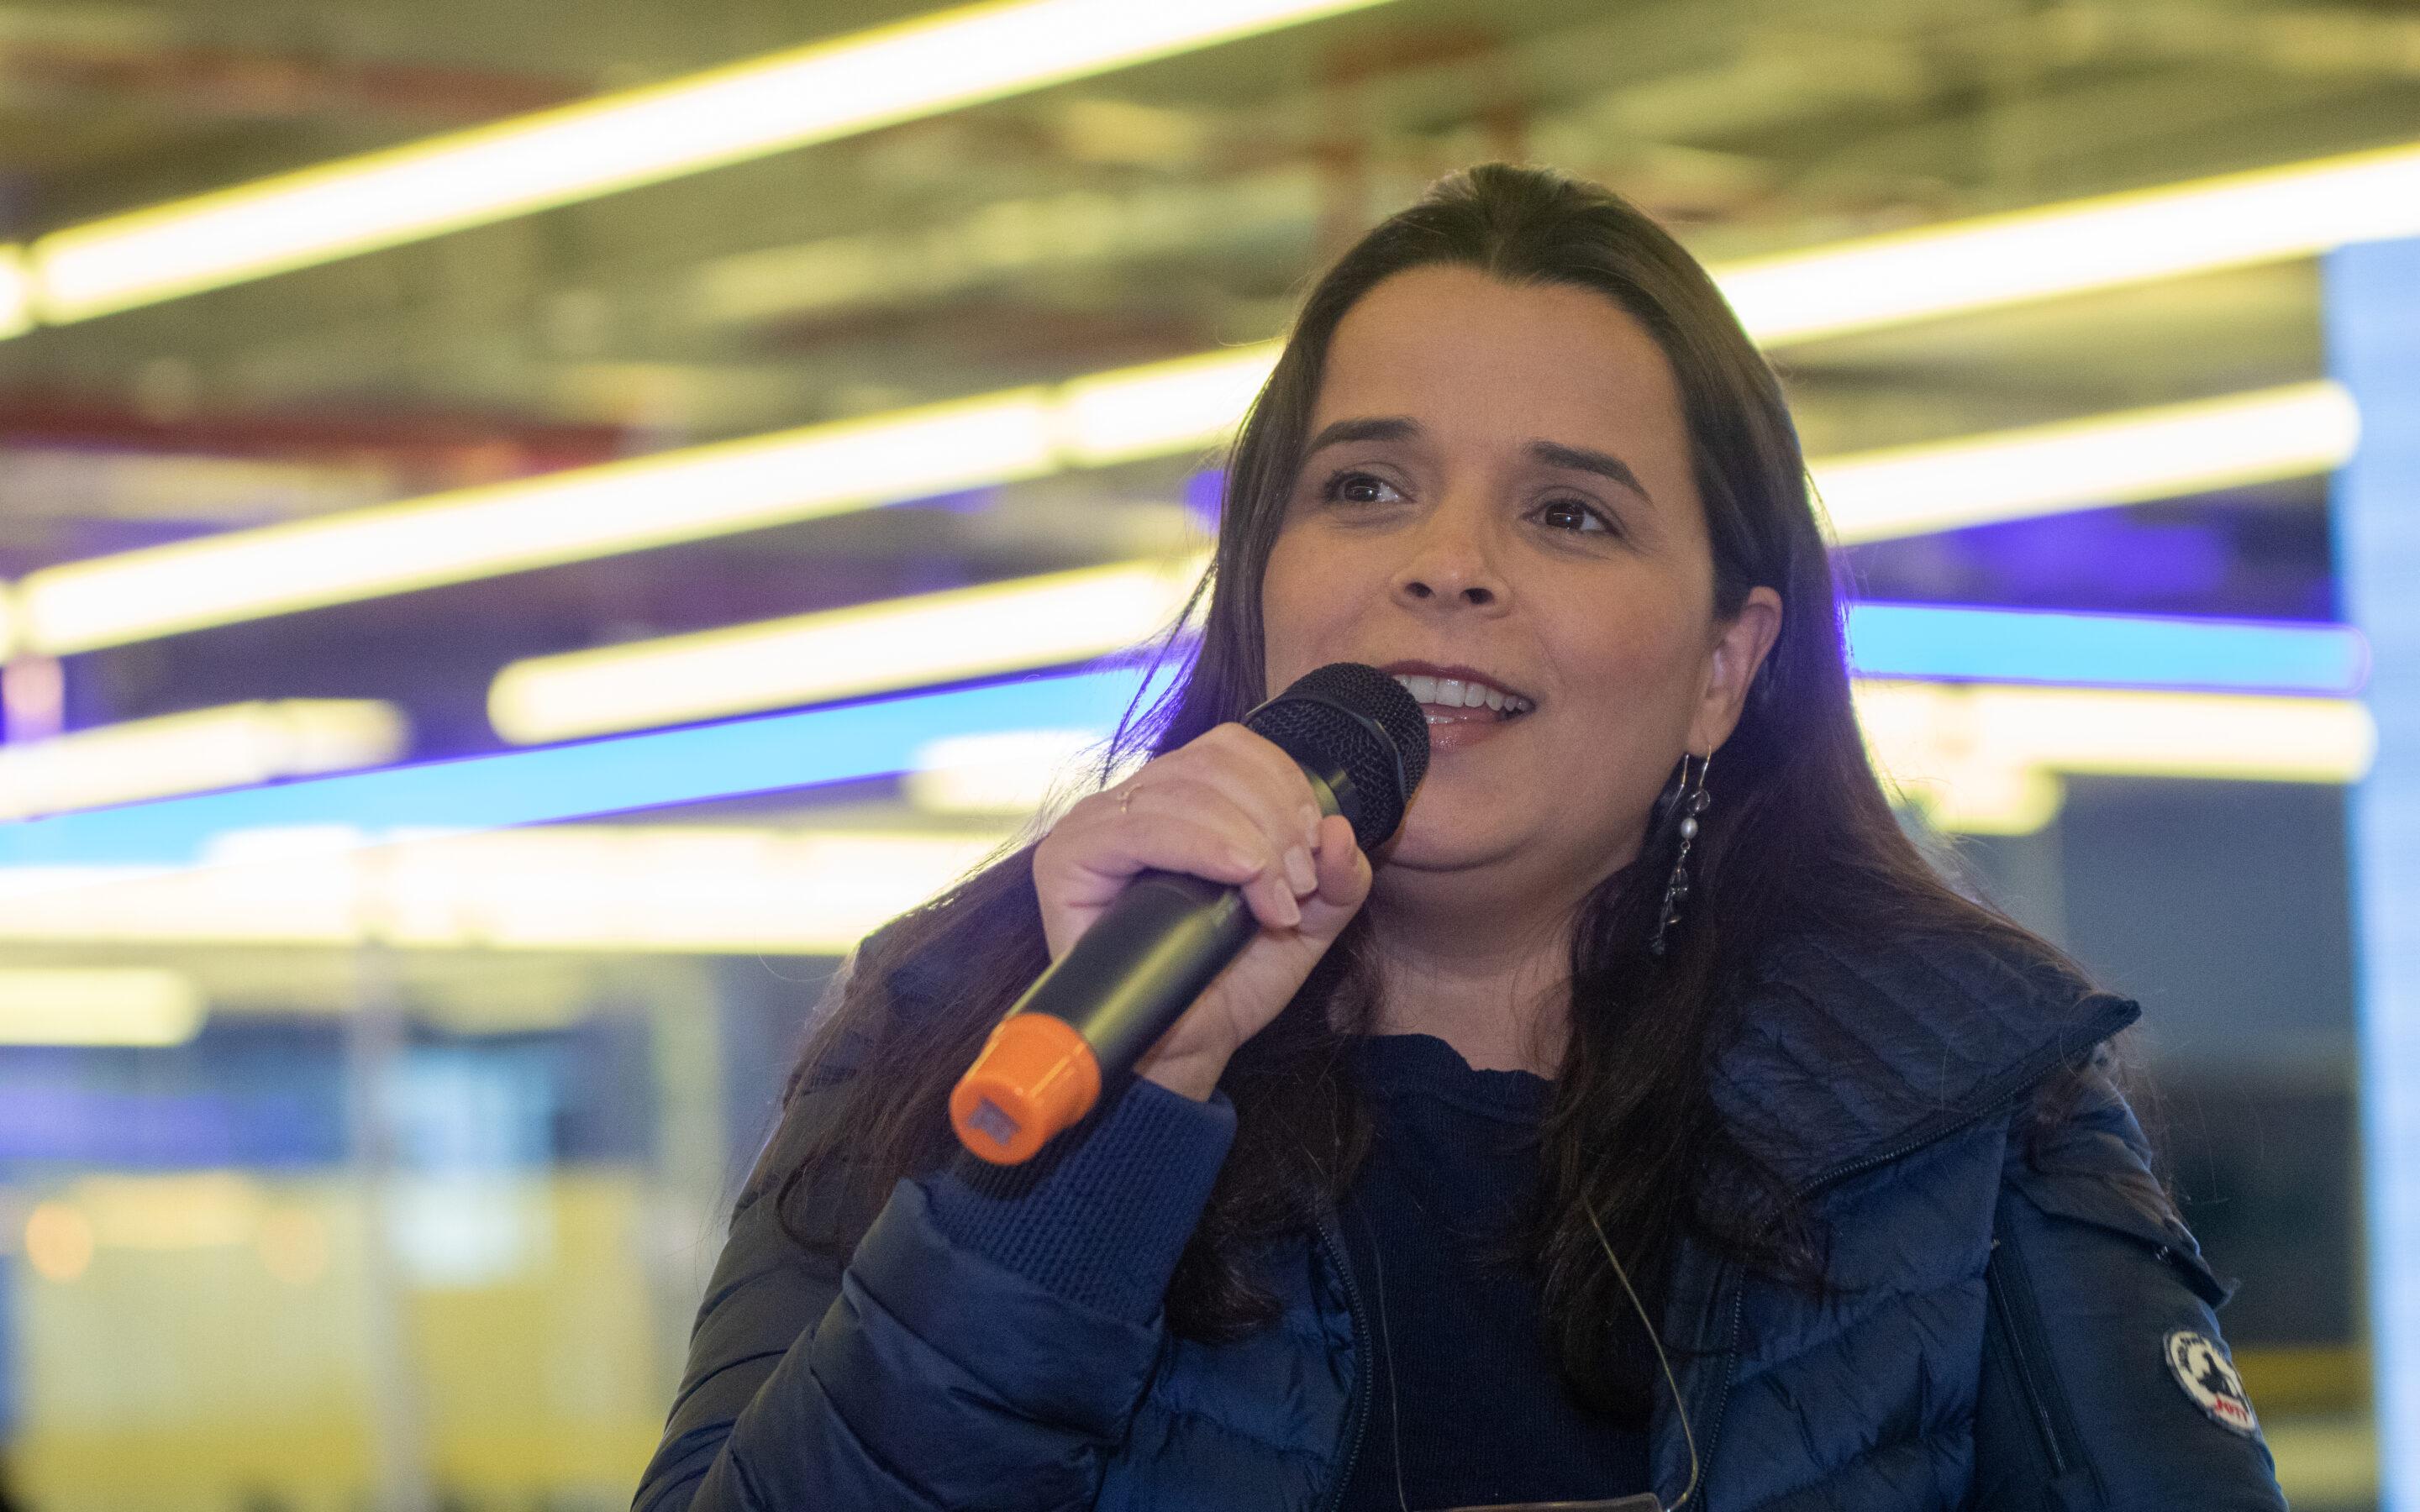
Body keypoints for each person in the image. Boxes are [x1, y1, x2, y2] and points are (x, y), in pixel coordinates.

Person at [634, 164, 2288, 1511]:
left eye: (1569, 512)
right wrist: (1115, 1124)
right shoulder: (962, 1025)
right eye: (1366, 488)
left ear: (1724, 666)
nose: (1448, 563)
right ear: (1262, 581)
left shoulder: (1973, 1097)